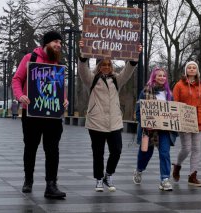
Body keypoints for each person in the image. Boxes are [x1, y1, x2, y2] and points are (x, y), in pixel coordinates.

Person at [78, 41, 141, 192]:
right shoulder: (91, 79)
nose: (106, 67)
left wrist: (134, 56)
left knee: (117, 150)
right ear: (98, 66)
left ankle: (108, 174)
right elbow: (82, 69)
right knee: (98, 153)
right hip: (96, 122)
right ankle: (99, 179)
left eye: (108, 64)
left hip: (114, 122)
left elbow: (128, 70)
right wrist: (83, 53)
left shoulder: (116, 80)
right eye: (103, 64)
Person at [12, 31, 68, 198]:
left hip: (52, 115)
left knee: (53, 150)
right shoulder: (30, 58)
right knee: (30, 147)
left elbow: (59, 87)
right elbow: (17, 79)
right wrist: (20, 95)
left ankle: (51, 185)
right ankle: (28, 180)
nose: (58, 45)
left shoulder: (58, 63)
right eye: (55, 42)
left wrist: (64, 99)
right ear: (46, 43)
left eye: (60, 42)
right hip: (32, 112)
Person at [132, 67, 175, 191]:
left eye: (164, 76)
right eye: (159, 75)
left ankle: (165, 179)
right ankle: (139, 170)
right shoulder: (145, 91)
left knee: (165, 153)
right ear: (154, 77)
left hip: (164, 130)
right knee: (146, 153)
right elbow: (139, 111)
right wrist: (145, 123)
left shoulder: (169, 94)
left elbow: (173, 112)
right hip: (149, 130)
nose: (162, 78)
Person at [171, 61, 201, 187]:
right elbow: (175, 103)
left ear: (197, 70)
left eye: (194, 67)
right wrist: (176, 120)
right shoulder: (179, 85)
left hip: (199, 120)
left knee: (197, 149)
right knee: (186, 148)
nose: (192, 69)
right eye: (189, 67)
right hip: (185, 120)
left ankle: (192, 175)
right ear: (186, 70)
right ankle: (177, 165)